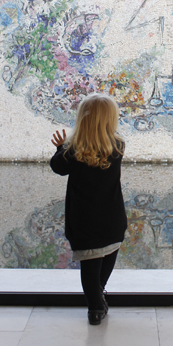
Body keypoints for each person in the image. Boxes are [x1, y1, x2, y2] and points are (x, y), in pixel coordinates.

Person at [50, 93, 127, 326]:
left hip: (83, 222)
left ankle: (95, 307)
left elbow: (57, 167)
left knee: (90, 266)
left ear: (82, 120)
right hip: (113, 220)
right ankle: (98, 293)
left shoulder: (72, 152)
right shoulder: (117, 147)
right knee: (109, 256)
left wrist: (60, 147)